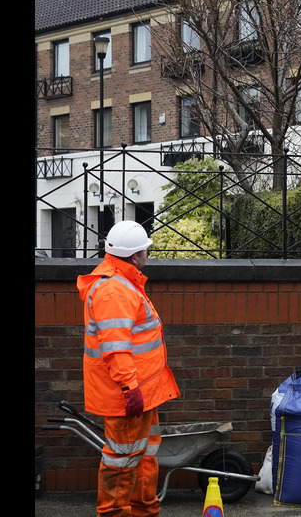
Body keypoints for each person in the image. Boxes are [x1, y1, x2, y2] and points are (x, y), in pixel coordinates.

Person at [77, 221, 180, 516]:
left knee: (143, 455)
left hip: (142, 391)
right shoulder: (114, 291)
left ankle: (144, 510)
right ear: (135, 256)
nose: (148, 254)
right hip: (129, 394)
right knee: (122, 460)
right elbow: (116, 348)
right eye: (145, 250)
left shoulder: (123, 284)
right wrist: (129, 387)